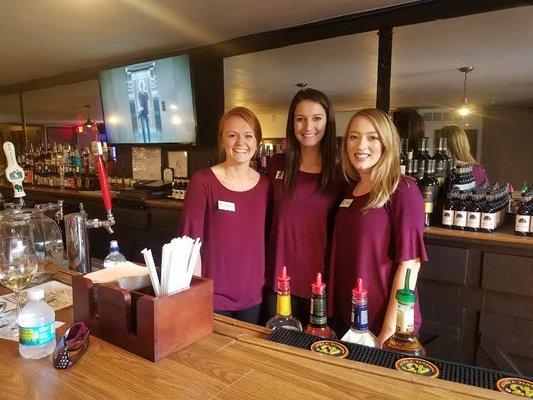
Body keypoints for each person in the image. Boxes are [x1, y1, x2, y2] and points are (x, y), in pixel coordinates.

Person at [328, 108, 428, 346]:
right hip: (350, 316)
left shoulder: (402, 189)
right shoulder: (349, 189)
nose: (361, 145)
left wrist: (389, 330)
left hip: (383, 320)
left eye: (372, 137)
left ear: (387, 143)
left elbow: (410, 264)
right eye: (354, 136)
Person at [179, 107, 270, 324]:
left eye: (248, 136)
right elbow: (190, 244)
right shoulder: (203, 182)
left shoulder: (267, 186)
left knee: (246, 357)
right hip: (213, 297)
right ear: (222, 141)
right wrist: (195, 294)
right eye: (232, 135)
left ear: (257, 141)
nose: (241, 142)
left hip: (254, 296)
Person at [265, 88, 342, 326]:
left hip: (319, 284)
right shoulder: (277, 164)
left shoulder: (341, 172)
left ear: (328, 122)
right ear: (292, 123)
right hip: (278, 280)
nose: (308, 126)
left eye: (316, 118)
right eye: (300, 119)